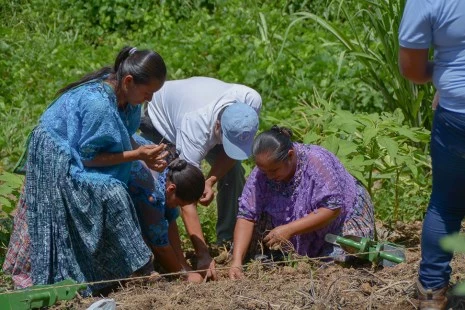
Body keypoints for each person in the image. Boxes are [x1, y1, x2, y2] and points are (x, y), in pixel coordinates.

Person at [3, 46, 168, 293]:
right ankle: (139, 267)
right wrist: (137, 154)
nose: (150, 99)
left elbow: (121, 134)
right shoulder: (98, 104)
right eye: (147, 92)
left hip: (86, 152)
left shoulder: (128, 99)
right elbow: (89, 158)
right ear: (129, 81)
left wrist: (146, 158)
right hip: (59, 158)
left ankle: (124, 267)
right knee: (112, 192)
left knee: (136, 178)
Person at [140, 76, 261, 279]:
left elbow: (231, 154)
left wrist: (210, 180)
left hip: (195, 109)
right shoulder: (195, 128)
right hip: (160, 119)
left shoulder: (251, 101)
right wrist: (202, 254)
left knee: (234, 172)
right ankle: (163, 250)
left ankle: (227, 240)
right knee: (161, 189)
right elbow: (185, 192)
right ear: (217, 127)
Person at [228, 126, 375, 280]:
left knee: (332, 267)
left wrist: (289, 229)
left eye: (274, 171)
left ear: (290, 156)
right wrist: (236, 262)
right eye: (264, 171)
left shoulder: (316, 161)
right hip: (291, 223)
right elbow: (246, 215)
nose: (269, 176)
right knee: (263, 255)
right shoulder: (262, 174)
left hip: (341, 219)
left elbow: (332, 209)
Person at [398, 1, 465, 308]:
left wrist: (448, 79)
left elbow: (412, 68)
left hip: (456, 115)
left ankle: (431, 291)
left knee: (445, 204)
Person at [128, 157, 206, 283]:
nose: (177, 206)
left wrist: (182, 263)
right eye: (178, 203)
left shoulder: (171, 173)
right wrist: (182, 275)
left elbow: (170, 220)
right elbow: (160, 246)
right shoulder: (152, 197)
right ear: (171, 189)